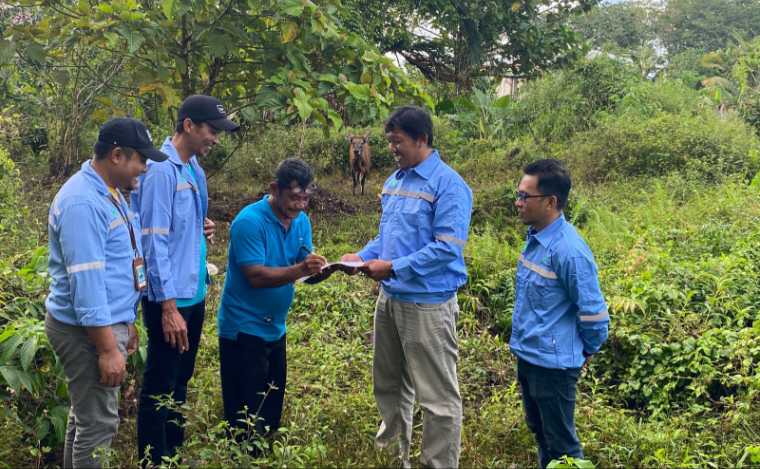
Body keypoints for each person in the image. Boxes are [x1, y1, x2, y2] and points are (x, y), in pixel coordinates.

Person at [341, 105, 473, 468]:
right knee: (388, 382)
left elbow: (446, 249)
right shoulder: (395, 181)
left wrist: (393, 267)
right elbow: (388, 237)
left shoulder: (449, 186)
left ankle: (438, 464)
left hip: (427, 305)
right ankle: (395, 455)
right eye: (389, 143)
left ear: (422, 139)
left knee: (437, 397)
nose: (392, 149)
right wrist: (361, 256)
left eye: (398, 142)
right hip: (391, 297)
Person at [45, 117, 169, 468]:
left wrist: (126, 322)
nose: (144, 169)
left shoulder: (108, 191)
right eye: (140, 160)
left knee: (85, 419)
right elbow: (86, 286)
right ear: (117, 155)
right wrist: (106, 348)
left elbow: (119, 262)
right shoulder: (82, 203)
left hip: (104, 323)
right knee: (98, 424)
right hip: (85, 330)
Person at [133, 95, 239, 465]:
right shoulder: (161, 170)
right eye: (212, 130)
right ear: (189, 125)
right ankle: (153, 459)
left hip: (193, 292)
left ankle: (173, 454)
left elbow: (183, 225)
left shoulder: (192, 167)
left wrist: (202, 227)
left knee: (181, 379)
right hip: (170, 299)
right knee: (160, 382)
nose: (216, 138)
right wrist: (167, 307)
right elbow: (153, 241)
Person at [216, 158, 326, 443]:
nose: (299, 206)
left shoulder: (300, 220)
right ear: (274, 189)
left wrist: (320, 270)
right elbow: (256, 276)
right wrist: (301, 269)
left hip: (275, 327)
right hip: (243, 328)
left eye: (305, 198)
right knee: (244, 413)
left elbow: (302, 261)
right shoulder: (249, 222)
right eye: (293, 198)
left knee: (270, 404)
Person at [509, 159, 610, 469]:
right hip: (529, 357)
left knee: (563, 446)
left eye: (526, 196)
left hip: (552, 367)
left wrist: (586, 349)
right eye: (518, 193)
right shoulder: (536, 239)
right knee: (541, 434)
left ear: (551, 202)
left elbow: (594, 315)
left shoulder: (569, 250)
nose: (518, 202)